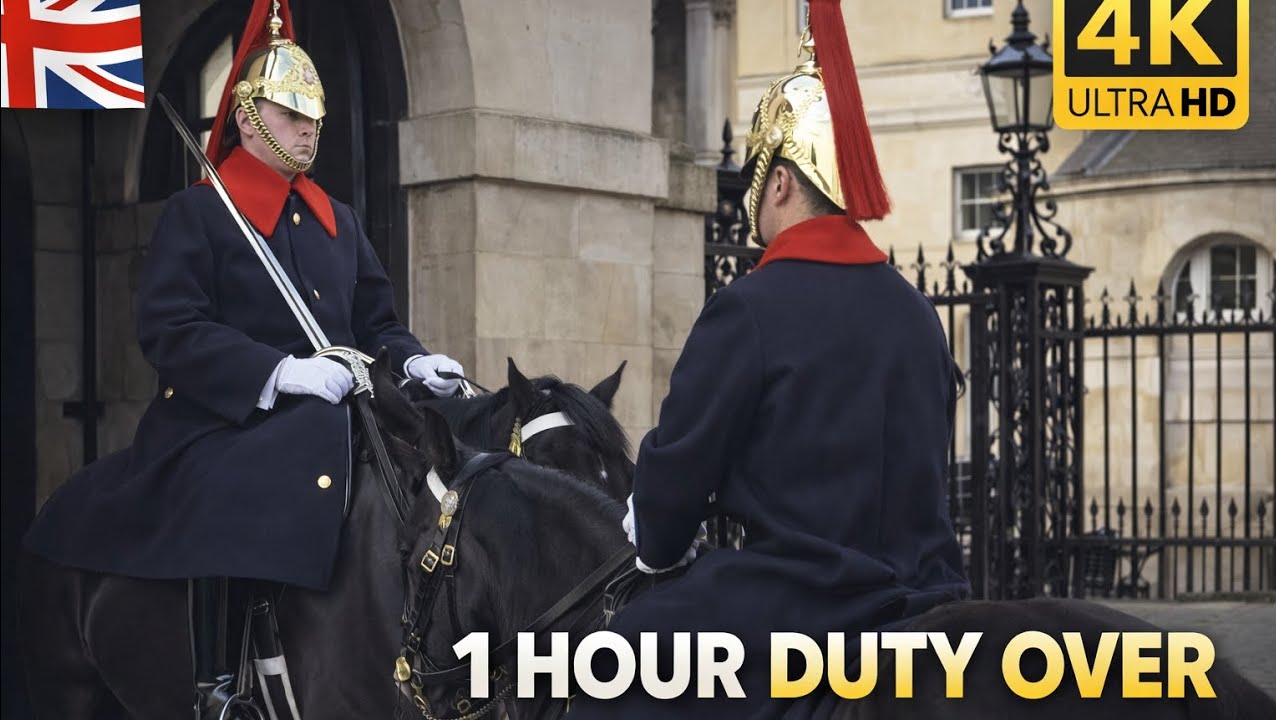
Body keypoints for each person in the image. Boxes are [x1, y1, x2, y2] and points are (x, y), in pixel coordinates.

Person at [22, 1, 462, 716]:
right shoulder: (201, 212)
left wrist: (414, 364)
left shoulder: (339, 222)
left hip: (335, 412)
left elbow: (378, 323)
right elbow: (171, 329)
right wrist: (278, 373)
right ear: (250, 118)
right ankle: (219, 684)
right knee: (239, 485)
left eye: (315, 117)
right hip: (222, 418)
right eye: (292, 115)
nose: (309, 129)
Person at [565, 1, 969, 717]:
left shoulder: (749, 308)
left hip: (804, 605)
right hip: (931, 595)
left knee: (613, 664)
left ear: (779, 181)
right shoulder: (917, 312)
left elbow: (676, 483)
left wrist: (654, 536)